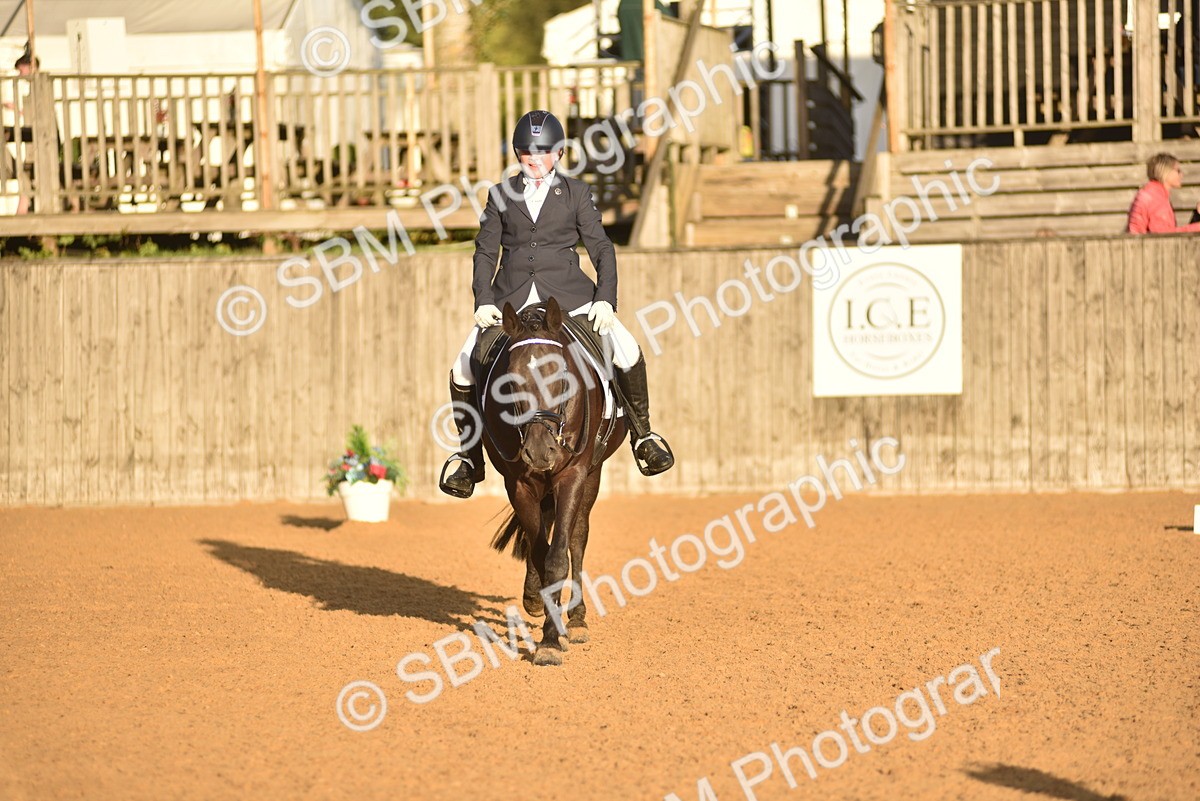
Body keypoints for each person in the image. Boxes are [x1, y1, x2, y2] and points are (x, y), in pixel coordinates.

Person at [439, 110, 674, 498]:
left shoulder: (576, 193)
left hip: (569, 298)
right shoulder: (500, 195)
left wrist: (605, 299)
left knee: (628, 351)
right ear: (517, 154)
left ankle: (643, 437)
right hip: (509, 301)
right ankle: (468, 459)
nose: (534, 161)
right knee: (463, 367)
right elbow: (485, 251)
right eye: (526, 154)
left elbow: (600, 246)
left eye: (543, 153)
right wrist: (483, 299)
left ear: (559, 153)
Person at [1126, 153, 1200, 234]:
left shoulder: (1151, 192)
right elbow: (1163, 235)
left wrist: (1197, 216)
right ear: (1165, 172)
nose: (1181, 175)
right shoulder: (1156, 198)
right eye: (1178, 171)